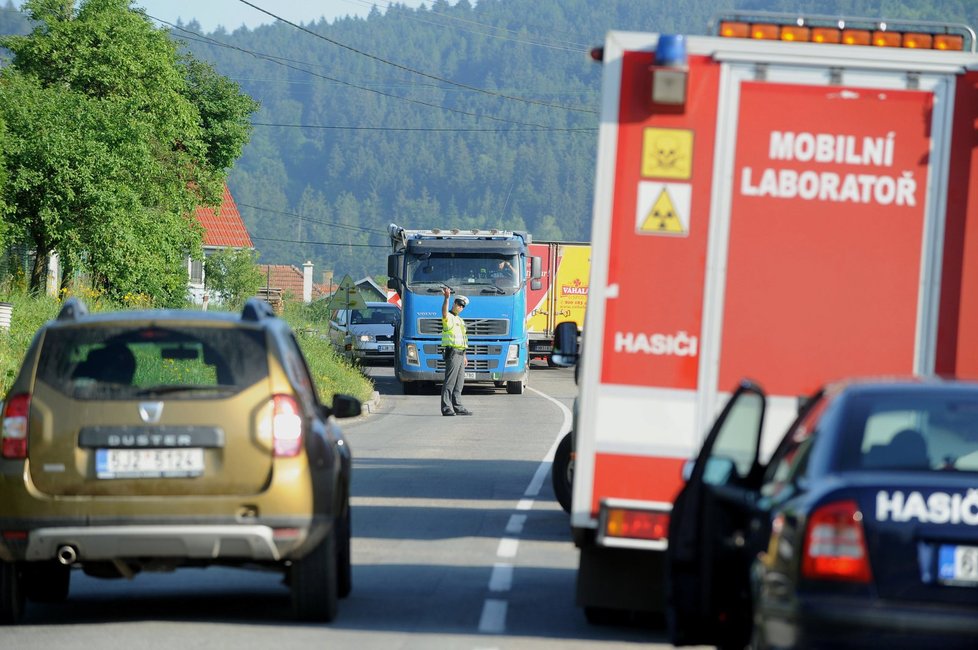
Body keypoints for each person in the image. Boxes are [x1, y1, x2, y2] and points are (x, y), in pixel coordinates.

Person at [440, 286, 472, 416]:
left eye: (462, 306)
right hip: (452, 353)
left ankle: (458, 406)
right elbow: (443, 312)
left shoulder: (460, 320)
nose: (460, 307)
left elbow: (463, 340)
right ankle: (446, 407)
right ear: (454, 304)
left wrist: (465, 355)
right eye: (459, 304)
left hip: (460, 353)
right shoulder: (448, 317)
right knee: (450, 382)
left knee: (459, 383)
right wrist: (446, 298)